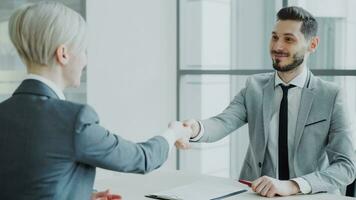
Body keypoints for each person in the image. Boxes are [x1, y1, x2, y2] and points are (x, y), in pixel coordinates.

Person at [0, 2, 191, 200]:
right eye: (83, 50)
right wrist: (174, 133)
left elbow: (28, 181)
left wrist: (82, 195)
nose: (85, 60)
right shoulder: (73, 120)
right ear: (63, 54)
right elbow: (142, 159)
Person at [176, 6, 356, 197]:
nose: (277, 47)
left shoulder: (331, 95)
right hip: (259, 194)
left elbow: (346, 167)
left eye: (288, 39)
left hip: (311, 195)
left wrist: (293, 185)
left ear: (312, 44)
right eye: (274, 37)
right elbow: (222, 122)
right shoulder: (254, 87)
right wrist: (193, 128)